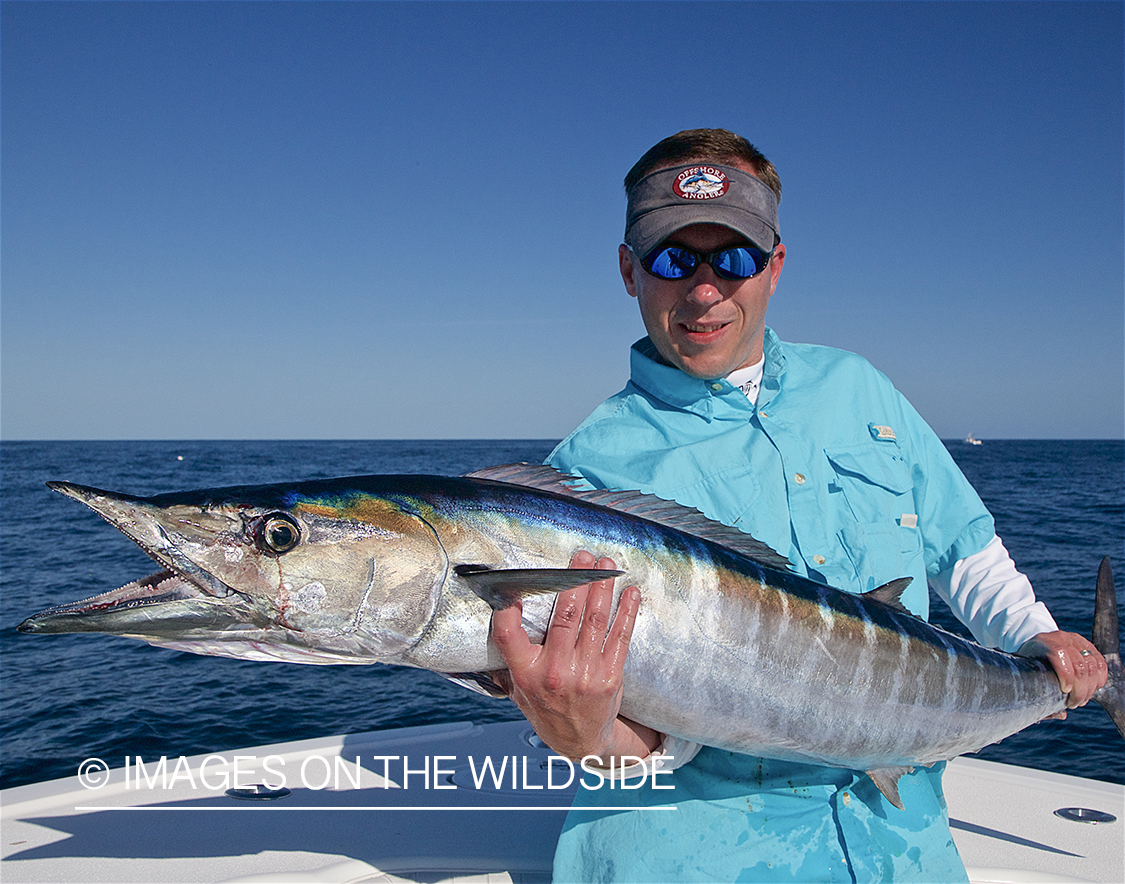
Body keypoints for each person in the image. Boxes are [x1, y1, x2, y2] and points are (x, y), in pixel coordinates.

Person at [490, 129, 1108, 882]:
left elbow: (959, 544)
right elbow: (647, 728)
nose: (705, 289)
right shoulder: (583, 480)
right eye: (673, 259)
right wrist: (588, 736)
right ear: (628, 269)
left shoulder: (858, 387)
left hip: (902, 850)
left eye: (735, 258)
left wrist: (1038, 637)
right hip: (700, 858)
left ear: (775, 266)